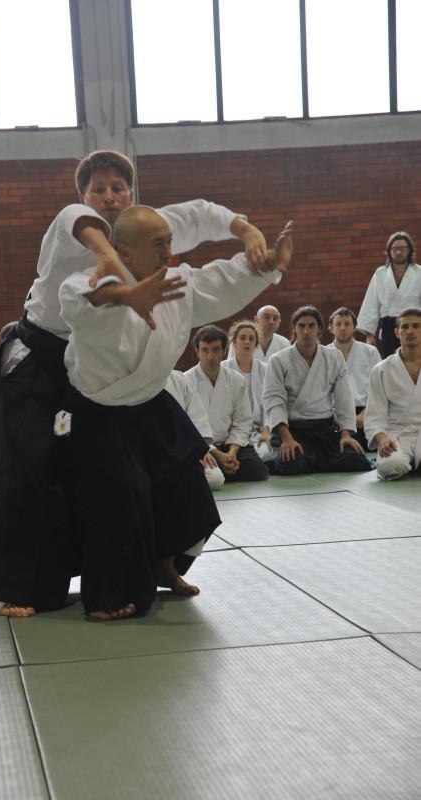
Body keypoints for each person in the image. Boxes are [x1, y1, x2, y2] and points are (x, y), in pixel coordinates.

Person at [0, 148, 284, 618]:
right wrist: (110, 258)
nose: (109, 197)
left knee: (178, 454)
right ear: (83, 195)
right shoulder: (71, 224)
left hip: (109, 372)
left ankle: (163, 559)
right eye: (99, 189)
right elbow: (83, 236)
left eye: (118, 188)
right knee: (30, 467)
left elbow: (200, 214)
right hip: (40, 363)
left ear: (131, 193)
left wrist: (247, 231)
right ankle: (14, 583)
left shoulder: (143, 229)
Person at [58, 206, 293, 618]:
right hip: (97, 410)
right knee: (122, 493)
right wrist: (123, 296)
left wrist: (266, 264)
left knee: (187, 481)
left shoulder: (175, 284)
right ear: (124, 252)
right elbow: (77, 302)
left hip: (149, 402)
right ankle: (108, 595)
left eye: (169, 242)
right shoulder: (90, 280)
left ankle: (166, 564)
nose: (169, 252)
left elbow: (219, 281)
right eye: (158, 244)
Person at [263, 305, 372, 475]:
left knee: (357, 460)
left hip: (325, 430)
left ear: (319, 329)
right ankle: (309, 460)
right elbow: (274, 401)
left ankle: (315, 461)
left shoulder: (334, 356)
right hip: (294, 430)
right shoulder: (278, 360)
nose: (306, 331)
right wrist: (287, 439)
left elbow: (344, 398)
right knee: (292, 464)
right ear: (294, 329)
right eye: (301, 326)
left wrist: (346, 435)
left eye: (311, 326)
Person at [185, 325, 269, 482]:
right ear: (197, 351)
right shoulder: (186, 381)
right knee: (209, 475)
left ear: (224, 350)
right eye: (205, 350)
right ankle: (221, 468)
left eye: (215, 350)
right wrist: (216, 454)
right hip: (202, 446)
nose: (210, 356)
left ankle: (225, 466)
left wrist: (232, 452)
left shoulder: (236, 380)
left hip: (229, 443)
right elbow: (187, 427)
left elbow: (242, 421)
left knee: (258, 470)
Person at [364, 308, 421, 480]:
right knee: (391, 466)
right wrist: (382, 439)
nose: (410, 331)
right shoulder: (381, 370)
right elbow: (374, 413)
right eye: (405, 327)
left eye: (416, 326)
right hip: (396, 435)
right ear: (397, 332)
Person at [358, 232, 421, 357]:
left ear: (409, 251)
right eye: (395, 248)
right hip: (388, 326)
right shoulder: (380, 274)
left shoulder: (419, 272)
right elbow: (371, 303)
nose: (399, 252)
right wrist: (370, 335)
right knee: (389, 361)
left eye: (403, 248)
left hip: (414, 323)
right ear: (389, 251)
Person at [326, 307, 381, 449]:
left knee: (370, 443)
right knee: (336, 448)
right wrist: (333, 415)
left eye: (347, 324)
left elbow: (380, 388)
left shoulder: (370, 352)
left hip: (365, 412)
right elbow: (318, 391)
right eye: (338, 324)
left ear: (354, 327)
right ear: (331, 328)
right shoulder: (323, 355)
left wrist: (365, 413)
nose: (343, 328)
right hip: (333, 415)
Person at [223, 319, 275, 462]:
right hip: (231, 431)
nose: (247, 342)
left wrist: (266, 431)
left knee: (266, 454)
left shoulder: (265, 369)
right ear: (234, 342)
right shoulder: (223, 369)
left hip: (258, 431)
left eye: (251, 339)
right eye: (242, 338)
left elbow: (269, 402)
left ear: (256, 344)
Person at [165, 370, 225, 491]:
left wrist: (202, 450)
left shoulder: (179, 380)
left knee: (215, 479)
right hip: (150, 452)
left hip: (183, 449)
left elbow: (197, 419)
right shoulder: (136, 381)